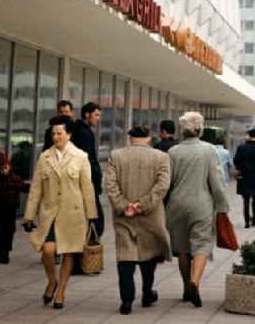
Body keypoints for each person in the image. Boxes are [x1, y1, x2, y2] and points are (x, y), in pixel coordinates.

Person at [23, 117, 97, 310]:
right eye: (53, 133)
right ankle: (51, 281)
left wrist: (92, 216)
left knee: (68, 254)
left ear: (69, 134)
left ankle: (61, 291)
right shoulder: (44, 157)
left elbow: (87, 188)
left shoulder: (81, 156)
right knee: (47, 250)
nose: (55, 136)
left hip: (73, 214)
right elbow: (36, 188)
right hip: (49, 214)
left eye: (59, 133)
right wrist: (29, 215)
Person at [106, 125, 172, 315]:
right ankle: (146, 293)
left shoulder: (116, 156)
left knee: (125, 256)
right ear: (149, 138)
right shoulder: (161, 157)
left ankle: (126, 301)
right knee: (149, 255)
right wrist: (142, 205)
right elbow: (162, 185)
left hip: (123, 216)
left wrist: (124, 205)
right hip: (150, 215)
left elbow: (110, 185)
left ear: (130, 138)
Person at [166, 111, 229, 308]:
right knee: (201, 244)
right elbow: (216, 181)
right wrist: (222, 206)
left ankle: (186, 287)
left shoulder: (173, 152)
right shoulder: (209, 150)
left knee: (182, 248)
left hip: (176, 204)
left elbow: (167, 183)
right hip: (201, 204)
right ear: (200, 129)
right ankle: (195, 282)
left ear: (181, 130)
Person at [0, 152, 29, 263]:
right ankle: (1, 251)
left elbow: (24, 187)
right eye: (0, 168)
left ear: (9, 167)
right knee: (0, 230)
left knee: (9, 230)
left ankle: (6, 251)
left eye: (5, 168)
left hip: (11, 209)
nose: (3, 170)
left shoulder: (15, 179)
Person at [72, 101, 105, 238]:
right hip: (86, 181)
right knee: (96, 220)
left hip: (82, 180)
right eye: (96, 115)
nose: (98, 118)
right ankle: (88, 248)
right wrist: (96, 179)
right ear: (87, 114)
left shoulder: (79, 130)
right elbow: (87, 159)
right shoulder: (84, 133)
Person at [233, 128, 255, 227]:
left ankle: (247, 221)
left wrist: (240, 168)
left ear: (248, 135)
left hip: (244, 176)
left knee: (246, 199)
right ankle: (254, 219)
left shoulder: (241, 147)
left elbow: (236, 160)